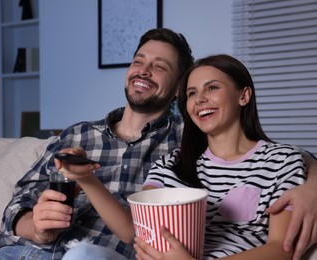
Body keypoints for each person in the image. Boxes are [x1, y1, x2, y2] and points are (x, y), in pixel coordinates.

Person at [0, 30, 316, 259]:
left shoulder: (182, 143)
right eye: (139, 60)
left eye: (159, 66)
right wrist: (35, 221)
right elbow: (24, 197)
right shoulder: (82, 136)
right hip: (24, 252)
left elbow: (293, 167)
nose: (143, 69)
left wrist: (313, 183)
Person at [57, 55, 314, 260]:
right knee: (82, 254)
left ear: (243, 95)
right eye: (191, 93)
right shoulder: (172, 165)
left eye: (211, 88)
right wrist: (86, 179)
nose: (200, 99)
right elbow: (131, 230)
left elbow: (282, 248)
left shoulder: (282, 161)